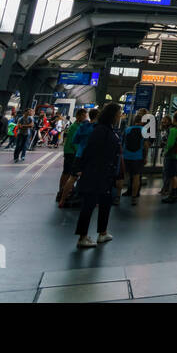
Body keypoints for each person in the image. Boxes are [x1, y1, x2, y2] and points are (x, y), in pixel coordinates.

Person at [75, 103, 123, 248]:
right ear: (112, 115)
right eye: (119, 113)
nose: (120, 115)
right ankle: (82, 237)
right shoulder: (100, 130)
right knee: (89, 205)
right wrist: (81, 168)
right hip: (96, 172)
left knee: (105, 203)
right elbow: (90, 151)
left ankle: (102, 232)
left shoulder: (108, 129)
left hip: (106, 173)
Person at [58, 108, 88, 204]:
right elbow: (73, 142)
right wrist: (79, 153)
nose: (85, 117)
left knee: (68, 172)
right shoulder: (75, 127)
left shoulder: (79, 126)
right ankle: (62, 192)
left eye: (86, 115)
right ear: (79, 116)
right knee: (67, 173)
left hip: (71, 152)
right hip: (71, 152)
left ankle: (65, 191)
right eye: (84, 115)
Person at [122, 112, 145, 204]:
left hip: (126, 155)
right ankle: (134, 197)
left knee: (124, 175)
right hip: (137, 156)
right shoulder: (144, 130)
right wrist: (145, 156)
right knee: (136, 177)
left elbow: (123, 142)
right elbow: (146, 145)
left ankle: (118, 195)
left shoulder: (128, 129)